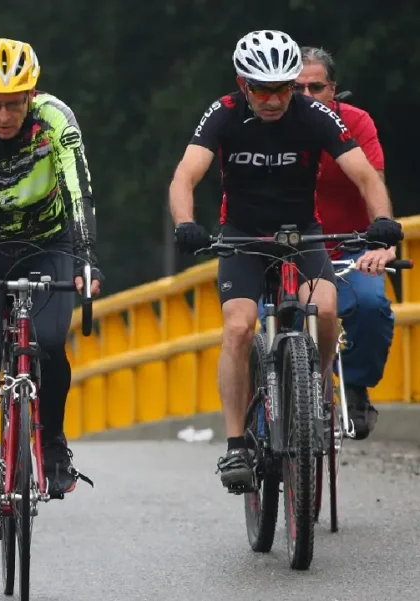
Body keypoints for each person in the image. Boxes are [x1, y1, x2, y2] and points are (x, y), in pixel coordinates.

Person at [168, 30, 402, 493]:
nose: (274, 100)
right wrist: (184, 222)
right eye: (262, 89)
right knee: (238, 327)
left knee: (328, 307)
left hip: (303, 234)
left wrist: (383, 221)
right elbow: (185, 175)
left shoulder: (313, 115)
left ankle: (313, 393)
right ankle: (235, 444)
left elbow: (364, 175)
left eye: (283, 89)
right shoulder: (224, 114)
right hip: (243, 237)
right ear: (242, 84)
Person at [0, 38, 102, 542]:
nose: (4, 115)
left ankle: (51, 443)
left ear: (31, 95)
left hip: (48, 241)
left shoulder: (55, 119)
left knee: (50, 343)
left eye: (14, 103)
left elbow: (78, 188)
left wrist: (87, 257)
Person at [296, 46, 393, 439]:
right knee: (262, 317)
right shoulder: (267, 126)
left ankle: (353, 384)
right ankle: (268, 414)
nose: (305, 97)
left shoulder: (355, 124)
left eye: (315, 87)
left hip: (350, 245)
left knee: (371, 305)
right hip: (291, 245)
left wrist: (382, 237)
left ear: (332, 90)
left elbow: (373, 182)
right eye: (295, 87)